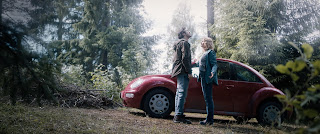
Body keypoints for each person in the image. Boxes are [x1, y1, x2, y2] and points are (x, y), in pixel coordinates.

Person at [194, 37, 218, 125]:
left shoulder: (211, 52)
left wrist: (213, 72)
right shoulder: (204, 53)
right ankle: (209, 120)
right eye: (202, 41)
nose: (202, 43)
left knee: (208, 99)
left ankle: (210, 120)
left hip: (207, 78)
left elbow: (214, 64)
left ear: (208, 43)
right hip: (203, 78)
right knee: (207, 99)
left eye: (204, 41)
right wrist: (196, 61)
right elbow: (203, 64)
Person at [171, 28, 193, 124]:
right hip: (182, 70)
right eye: (187, 31)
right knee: (181, 92)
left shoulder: (178, 43)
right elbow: (185, 58)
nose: (189, 32)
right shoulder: (185, 43)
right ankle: (178, 116)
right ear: (184, 33)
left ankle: (178, 114)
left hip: (178, 70)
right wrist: (189, 71)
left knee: (179, 92)